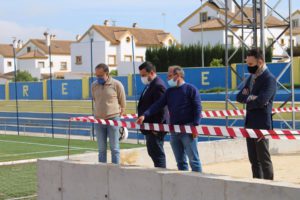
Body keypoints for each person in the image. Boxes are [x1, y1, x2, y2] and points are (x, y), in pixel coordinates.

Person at [137, 66, 202, 172]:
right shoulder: (169, 92)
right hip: (174, 130)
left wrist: (195, 126)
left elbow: (198, 108)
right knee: (180, 161)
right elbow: (157, 105)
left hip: (188, 129)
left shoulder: (191, 89)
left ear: (178, 75)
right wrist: (145, 115)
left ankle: (200, 183)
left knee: (194, 160)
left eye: (170, 76)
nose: (168, 78)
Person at [236, 48, 276, 180]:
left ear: (260, 62)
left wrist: (250, 99)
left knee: (263, 159)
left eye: (251, 65)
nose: (249, 67)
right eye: (247, 64)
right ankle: (257, 185)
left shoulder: (269, 79)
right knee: (253, 160)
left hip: (262, 125)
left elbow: (262, 100)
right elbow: (239, 97)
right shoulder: (251, 78)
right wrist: (253, 98)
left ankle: (269, 188)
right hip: (249, 124)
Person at [91, 63, 126, 164]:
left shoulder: (117, 84)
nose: (98, 77)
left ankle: (116, 170)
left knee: (114, 148)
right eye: (96, 75)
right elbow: (95, 100)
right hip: (98, 120)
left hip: (113, 120)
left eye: (100, 75)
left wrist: (120, 113)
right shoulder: (94, 85)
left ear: (107, 73)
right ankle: (102, 171)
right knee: (101, 149)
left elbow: (122, 102)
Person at [137, 61, 168, 168]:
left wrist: (157, 128)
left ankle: (161, 176)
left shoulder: (158, 85)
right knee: (153, 153)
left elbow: (162, 108)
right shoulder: (150, 85)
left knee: (157, 155)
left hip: (155, 128)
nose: (142, 78)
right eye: (141, 75)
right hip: (149, 127)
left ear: (152, 73)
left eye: (144, 75)